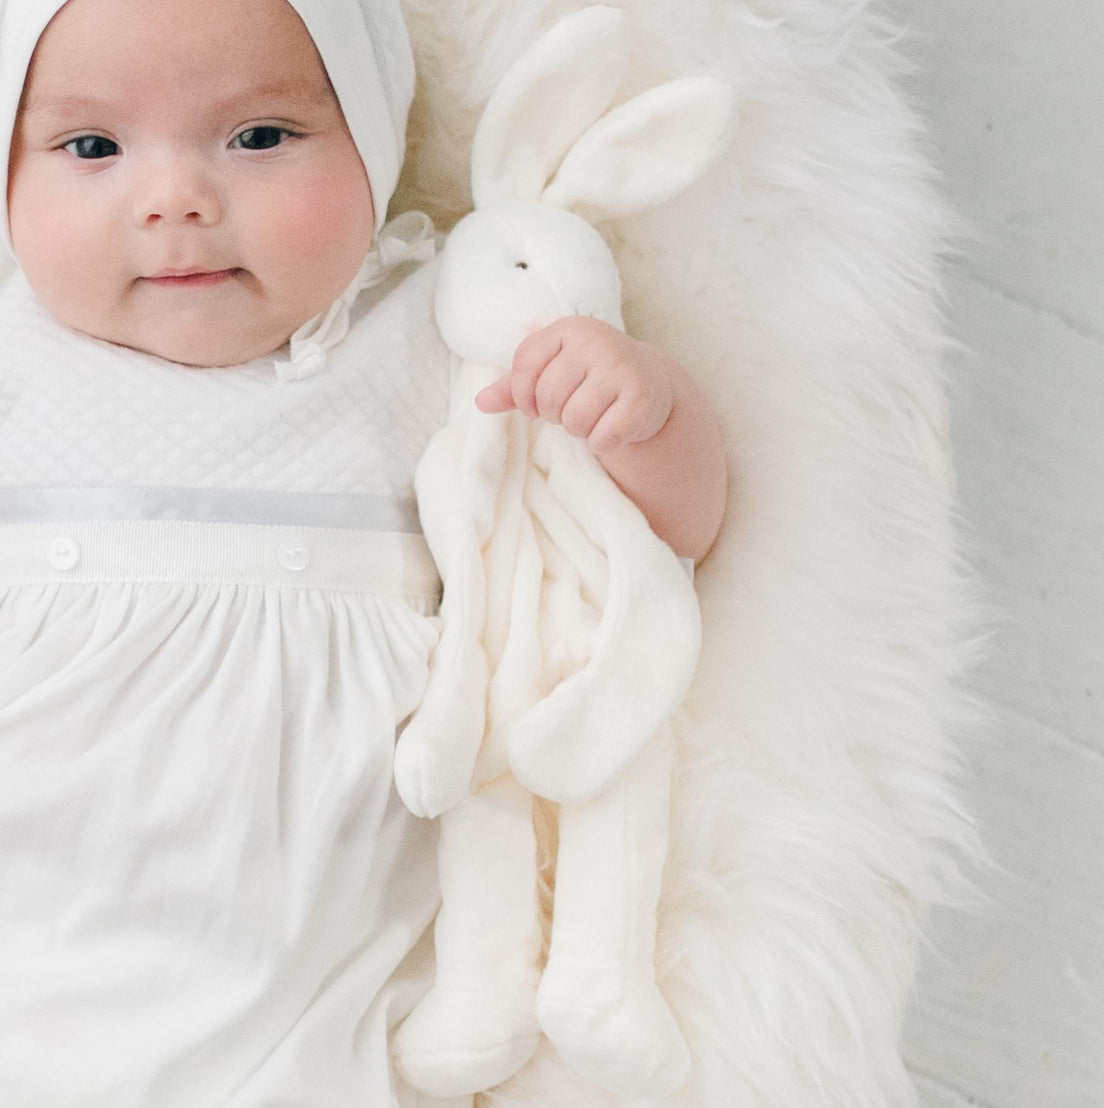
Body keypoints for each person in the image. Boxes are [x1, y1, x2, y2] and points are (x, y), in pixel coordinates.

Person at [0, 0, 727, 1103]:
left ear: (374, 145)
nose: (175, 199)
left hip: (296, 966)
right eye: (91, 147)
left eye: (259, 137)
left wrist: (644, 412)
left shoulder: (436, 329)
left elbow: (662, 538)